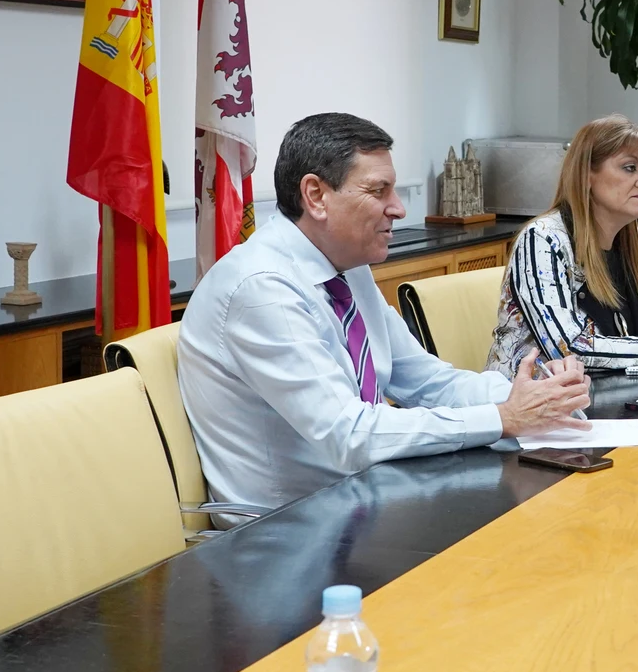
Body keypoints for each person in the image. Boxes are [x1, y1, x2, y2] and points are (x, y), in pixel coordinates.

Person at [180, 113, 590, 516]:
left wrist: (538, 398)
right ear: (316, 195)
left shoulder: (347, 267)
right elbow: (350, 434)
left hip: (362, 500)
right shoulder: (260, 288)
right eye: (379, 191)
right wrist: (503, 418)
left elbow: (427, 381)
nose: (397, 208)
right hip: (287, 533)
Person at [488, 115, 638, 378]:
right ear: (587, 175)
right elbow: (571, 349)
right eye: (629, 168)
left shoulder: (630, 246)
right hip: (533, 407)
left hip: (607, 396)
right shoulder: (543, 240)